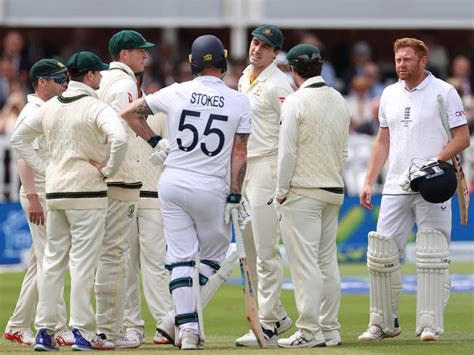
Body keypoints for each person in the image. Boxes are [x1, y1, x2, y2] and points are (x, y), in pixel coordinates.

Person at [121, 34, 251, 350]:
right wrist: (235, 193)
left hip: (173, 182)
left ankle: (186, 328)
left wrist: (155, 142)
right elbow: (239, 153)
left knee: (179, 258)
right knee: (216, 256)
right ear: (222, 62)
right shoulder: (239, 100)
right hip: (211, 186)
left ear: (192, 63)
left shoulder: (177, 91)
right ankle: (180, 322)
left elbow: (129, 112)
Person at [10, 50, 128, 351]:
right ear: (88, 76)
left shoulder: (49, 107)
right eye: (98, 73)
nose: (101, 78)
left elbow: (19, 139)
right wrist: (108, 169)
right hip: (87, 193)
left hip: (57, 193)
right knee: (83, 265)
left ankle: (45, 332)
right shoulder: (95, 106)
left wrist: (46, 169)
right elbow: (120, 137)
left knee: (52, 263)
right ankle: (83, 332)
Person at [358, 38, 470, 342]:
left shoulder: (444, 92)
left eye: (407, 59)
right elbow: (383, 140)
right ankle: (382, 323)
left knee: (432, 252)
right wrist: (369, 180)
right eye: (397, 60)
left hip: (433, 183)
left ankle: (429, 324)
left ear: (423, 60)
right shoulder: (389, 93)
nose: (401, 65)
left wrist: (434, 161)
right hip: (395, 184)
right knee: (381, 253)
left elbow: (462, 138)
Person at [274, 44, 350, 348]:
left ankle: (308, 330)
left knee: (305, 264)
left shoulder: (295, 101)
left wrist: (280, 191)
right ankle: (329, 329)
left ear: (293, 70)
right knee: (326, 261)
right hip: (333, 188)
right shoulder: (339, 98)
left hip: (303, 191)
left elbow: (287, 152)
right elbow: (344, 150)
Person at [3, 59, 73, 347]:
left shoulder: (50, 109)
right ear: (41, 82)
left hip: (48, 193)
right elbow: (22, 156)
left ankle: (17, 325)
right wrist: (32, 196)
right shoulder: (32, 111)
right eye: (58, 79)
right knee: (51, 262)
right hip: (39, 195)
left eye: (65, 78)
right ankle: (58, 327)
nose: (64, 84)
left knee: (40, 263)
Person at [94, 29, 155, 349]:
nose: (145, 56)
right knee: (115, 256)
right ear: (123, 55)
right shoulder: (124, 83)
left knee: (108, 254)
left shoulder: (102, 79)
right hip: (120, 178)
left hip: (107, 178)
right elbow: (122, 126)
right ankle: (108, 329)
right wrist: (110, 168)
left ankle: (106, 326)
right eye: (139, 51)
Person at [235, 24, 293, 347]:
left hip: (267, 167)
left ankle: (268, 322)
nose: (256, 49)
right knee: (250, 249)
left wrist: (285, 178)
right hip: (247, 169)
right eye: (255, 42)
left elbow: (291, 130)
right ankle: (275, 314)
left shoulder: (278, 84)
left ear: (274, 53)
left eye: (264, 46)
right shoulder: (245, 76)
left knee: (266, 250)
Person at [123, 109, 172, 346]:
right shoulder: (110, 110)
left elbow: (170, 151)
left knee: (155, 262)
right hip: (122, 195)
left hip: (153, 194)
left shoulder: (158, 113)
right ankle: (132, 326)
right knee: (126, 263)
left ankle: (165, 323)